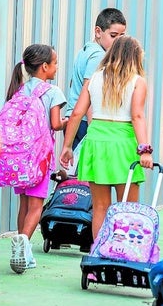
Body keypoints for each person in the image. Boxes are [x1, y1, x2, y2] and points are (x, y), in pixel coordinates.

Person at [60, 36, 154, 239]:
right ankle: (122, 255)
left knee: (100, 207)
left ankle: (98, 256)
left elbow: (77, 113)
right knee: (127, 208)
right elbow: (137, 115)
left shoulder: (95, 78)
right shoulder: (137, 81)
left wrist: (67, 146)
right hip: (123, 144)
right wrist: (145, 149)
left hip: (96, 143)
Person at [5, 44, 67, 274]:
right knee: (36, 206)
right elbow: (55, 124)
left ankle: (23, 250)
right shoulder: (52, 92)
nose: (57, 67)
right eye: (55, 62)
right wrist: (68, 122)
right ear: (44, 67)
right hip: (39, 158)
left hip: (19, 157)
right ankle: (23, 242)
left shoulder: (19, 89)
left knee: (23, 204)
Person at [65, 8, 126, 149]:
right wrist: (94, 131)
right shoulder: (98, 56)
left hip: (75, 121)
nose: (118, 41)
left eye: (122, 36)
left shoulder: (86, 50)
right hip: (85, 122)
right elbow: (89, 94)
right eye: (113, 35)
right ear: (98, 32)